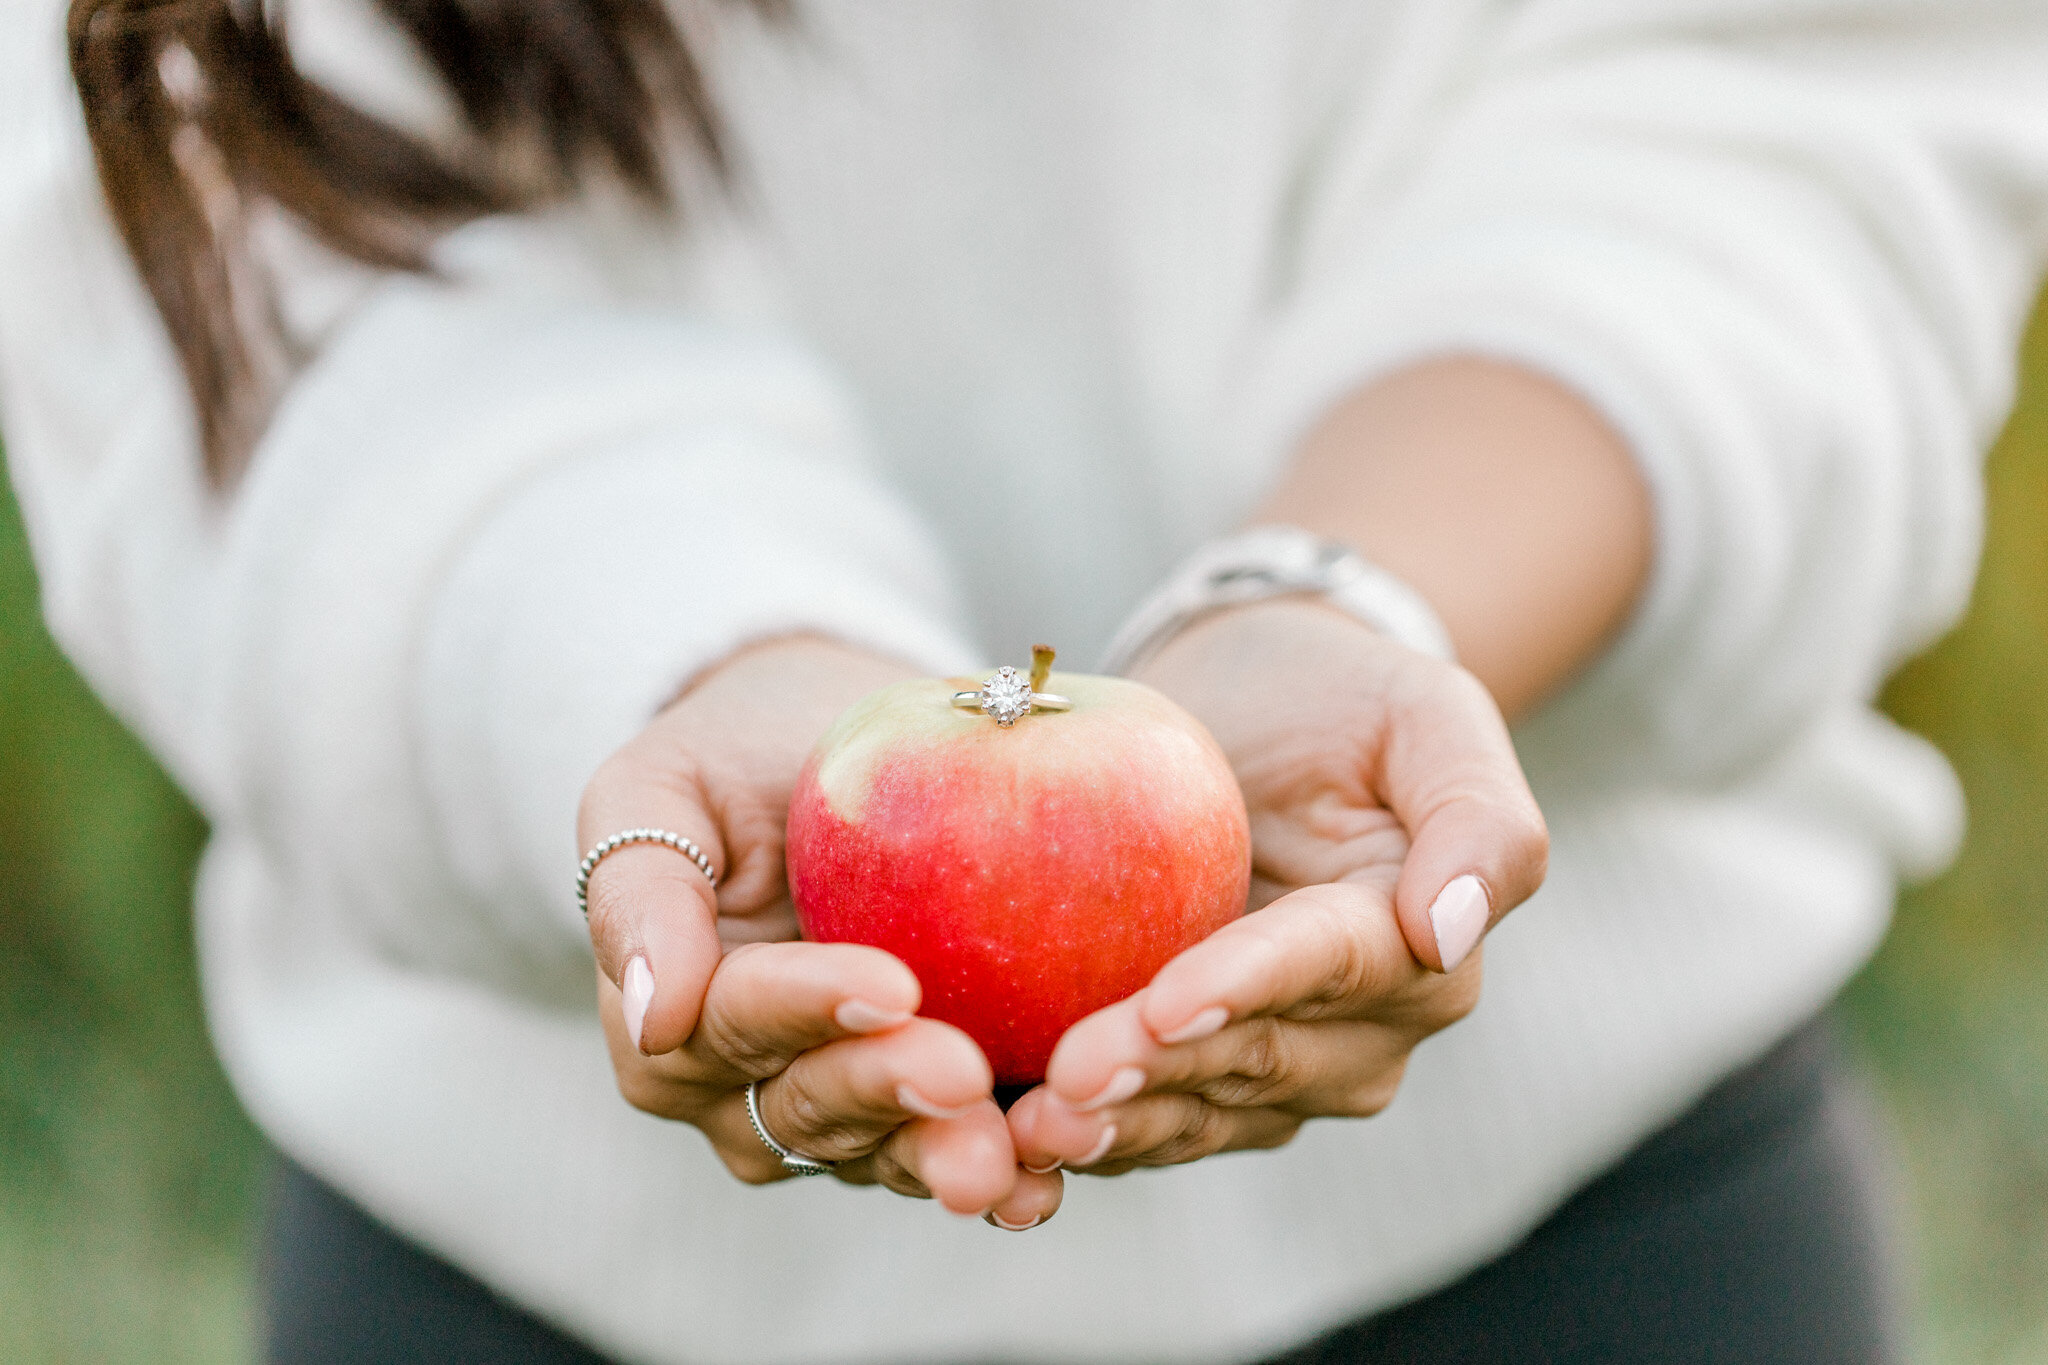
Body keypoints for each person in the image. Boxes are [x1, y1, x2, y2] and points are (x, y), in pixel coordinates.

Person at [4, 1, 2046, 1360]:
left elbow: (1782, 93)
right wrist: (687, 659)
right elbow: (234, 242)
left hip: (1586, 1224)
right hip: (523, 1260)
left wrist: (1351, 598)